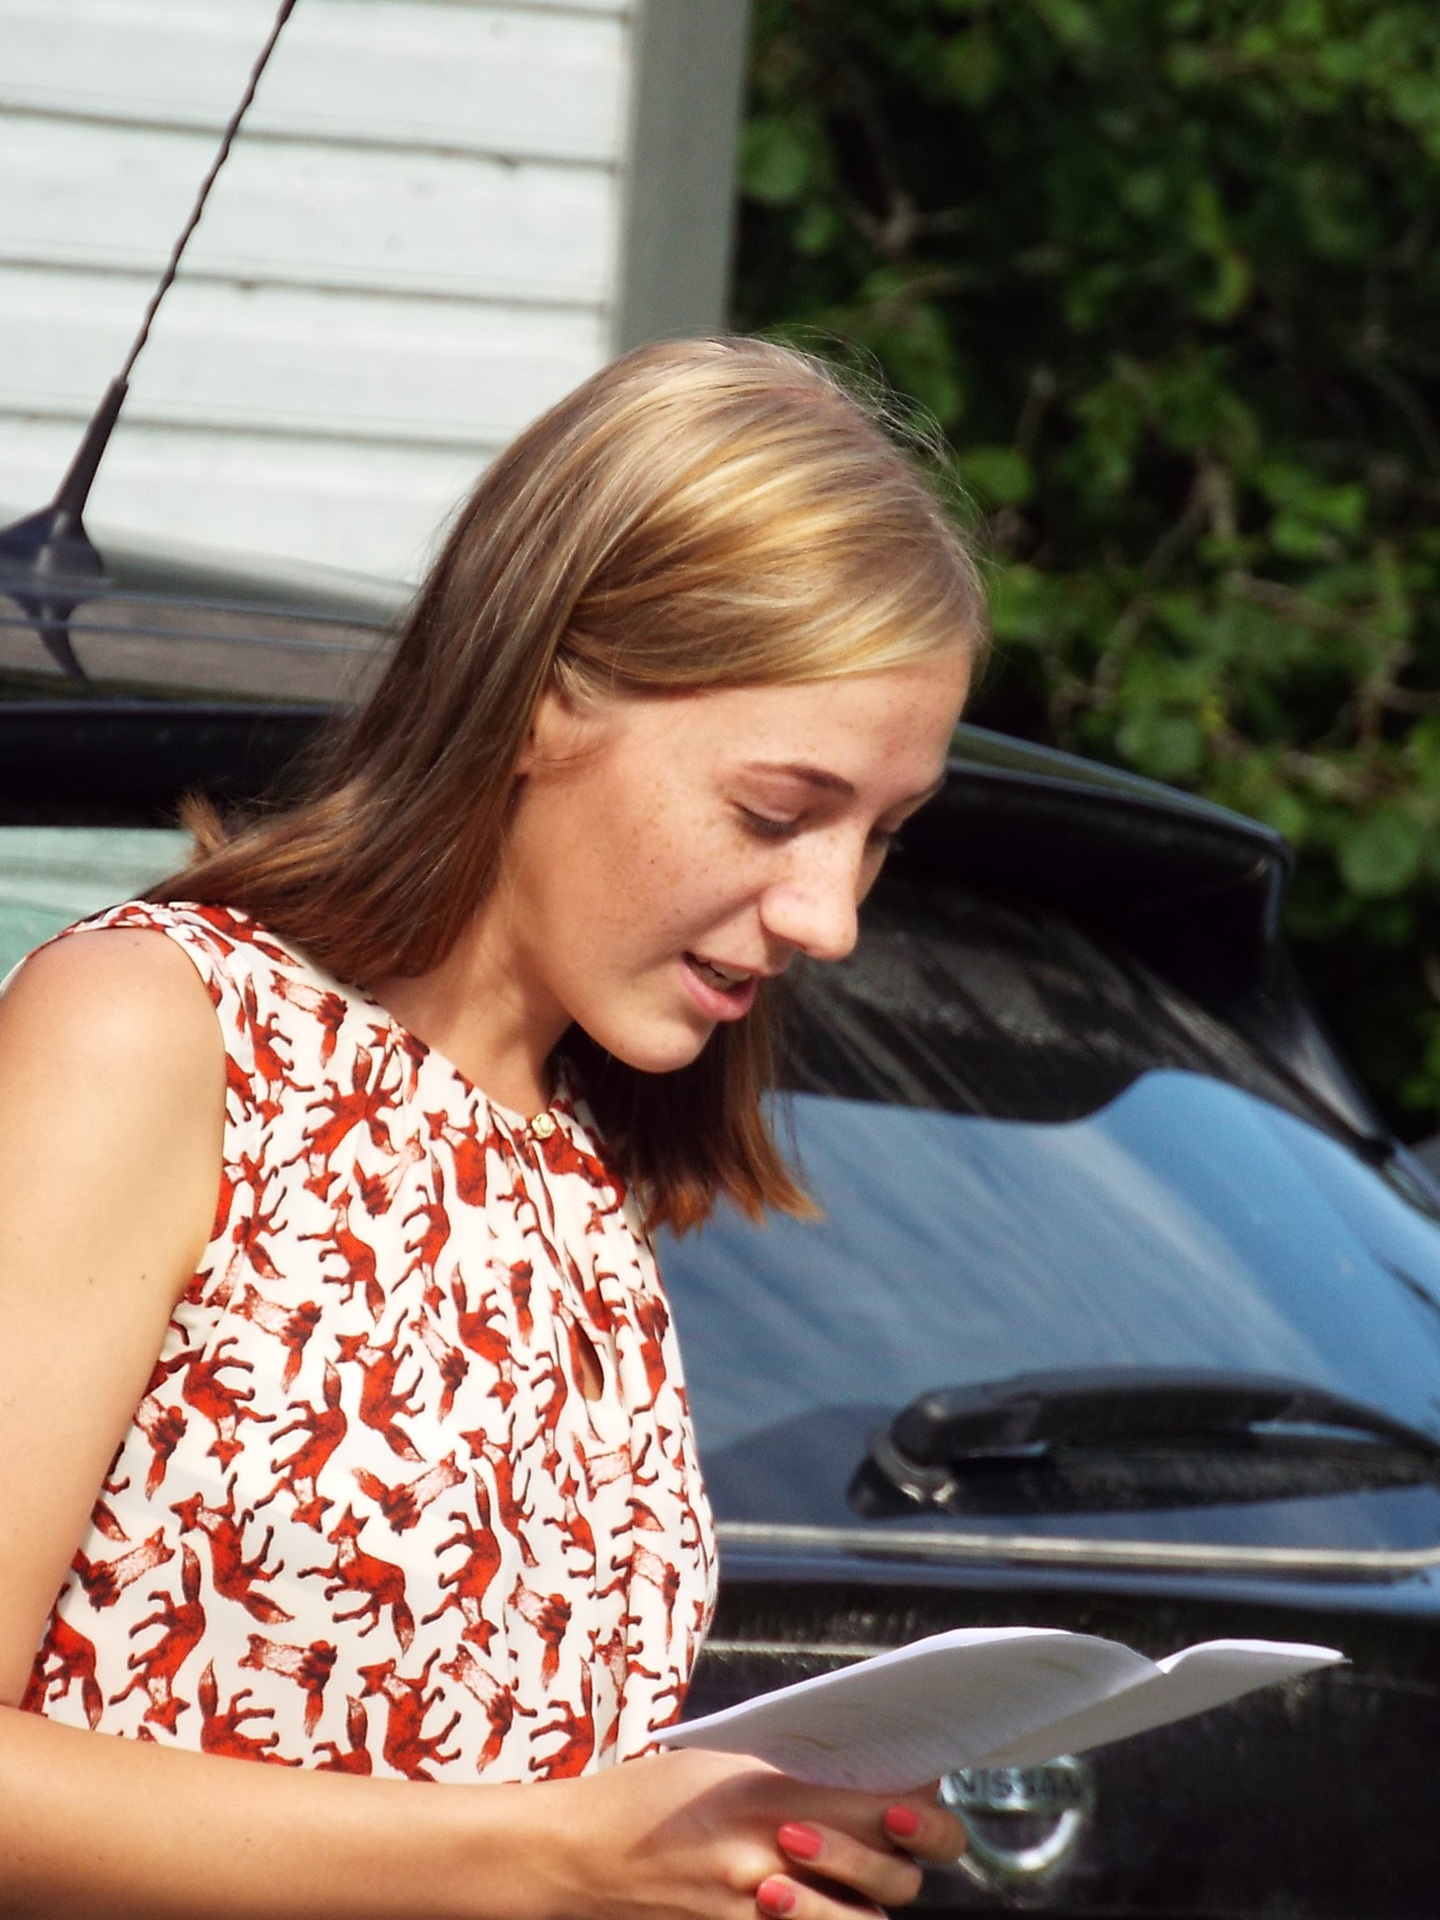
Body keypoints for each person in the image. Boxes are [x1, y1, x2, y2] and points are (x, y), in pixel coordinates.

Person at [0, 337, 982, 1918]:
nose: (832, 915)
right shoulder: (157, 1034)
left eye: (880, 835)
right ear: (537, 700)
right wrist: (552, 1862)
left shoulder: (581, 1175)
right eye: (777, 812)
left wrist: (724, 1851)